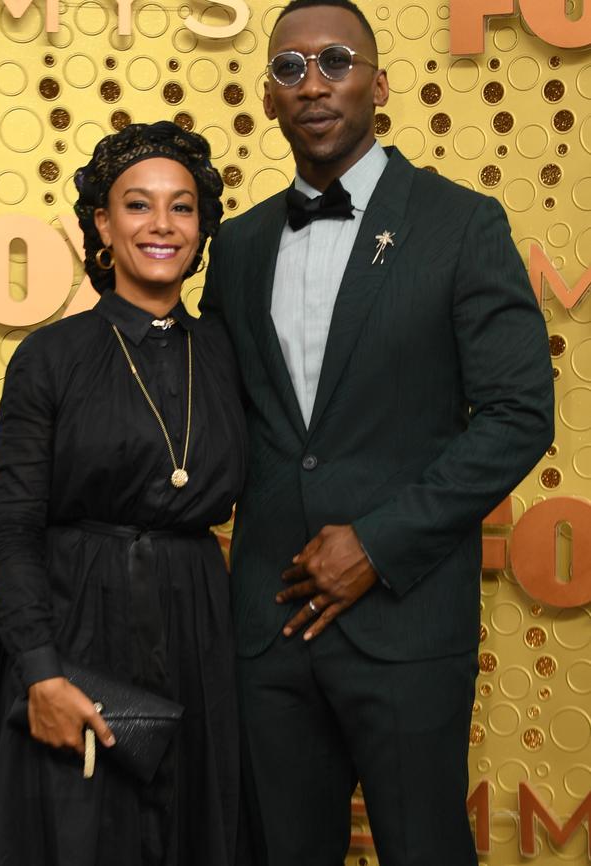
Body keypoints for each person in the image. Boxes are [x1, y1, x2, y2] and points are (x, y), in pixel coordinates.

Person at [200, 1, 554, 864]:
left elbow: (518, 416)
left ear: (379, 83)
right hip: (267, 631)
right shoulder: (237, 246)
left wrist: (378, 542)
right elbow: (220, 422)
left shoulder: (460, 225)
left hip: (406, 620)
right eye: (289, 68)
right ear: (268, 97)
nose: (312, 83)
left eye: (335, 61)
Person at [0, 121, 247, 866]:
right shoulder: (52, 355)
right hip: (69, 629)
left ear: (202, 227)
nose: (162, 225)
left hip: (193, 629)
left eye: (182, 207)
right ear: (103, 225)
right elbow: (12, 527)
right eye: (137, 206)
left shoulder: (228, 353)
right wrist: (40, 671)